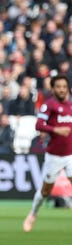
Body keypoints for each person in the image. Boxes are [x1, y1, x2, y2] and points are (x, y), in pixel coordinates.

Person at [23, 74, 72, 232]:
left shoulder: (70, 106)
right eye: (58, 87)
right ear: (53, 89)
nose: (62, 90)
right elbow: (39, 125)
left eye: (64, 87)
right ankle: (33, 213)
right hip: (54, 156)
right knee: (46, 190)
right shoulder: (49, 105)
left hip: (70, 155)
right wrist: (56, 129)